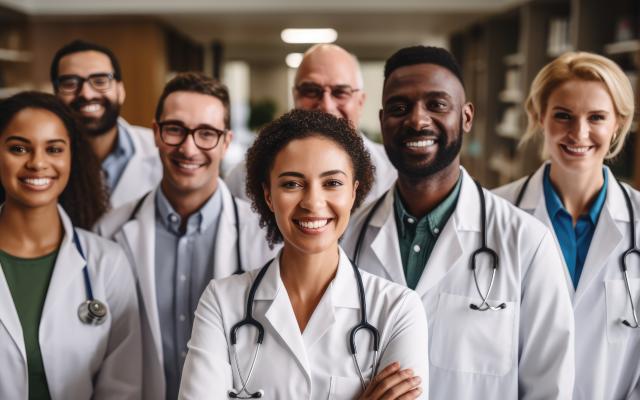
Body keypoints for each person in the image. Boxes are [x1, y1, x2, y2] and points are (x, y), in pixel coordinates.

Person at [341, 45, 575, 399]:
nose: (417, 120)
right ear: (382, 119)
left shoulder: (526, 242)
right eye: (399, 108)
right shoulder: (349, 238)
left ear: (466, 117)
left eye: (437, 104)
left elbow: (550, 387)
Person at [178, 109, 428, 399]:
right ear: (269, 195)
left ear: (353, 192)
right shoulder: (221, 303)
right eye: (291, 184)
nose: (312, 202)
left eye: (332, 183)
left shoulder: (398, 311)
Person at [96, 72, 276, 400]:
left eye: (206, 133)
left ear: (226, 141)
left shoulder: (265, 237)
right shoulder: (109, 233)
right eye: (175, 129)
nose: (188, 148)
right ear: (155, 134)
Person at [493, 51, 639, 399]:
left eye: (597, 117)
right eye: (563, 115)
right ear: (538, 116)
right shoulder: (493, 216)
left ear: (618, 122)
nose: (579, 133)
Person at [0, 91, 141, 399]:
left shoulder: (107, 263)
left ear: (71, 158)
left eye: (54, 149)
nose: (38, 163)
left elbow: (122, 387)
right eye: (19, 148)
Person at [225, 44, 396, 206]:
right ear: (295, 96)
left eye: (340, 92)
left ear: (360, 101)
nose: (326, 106)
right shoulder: (244, 177)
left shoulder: (393, 174)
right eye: (311, 91)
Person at [51, 39, 161, 209]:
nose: (86, 94)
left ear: (121, 91)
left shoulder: (160, 151)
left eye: (100, 81)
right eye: (70, 83)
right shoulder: (41, 160)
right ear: (56, 95)